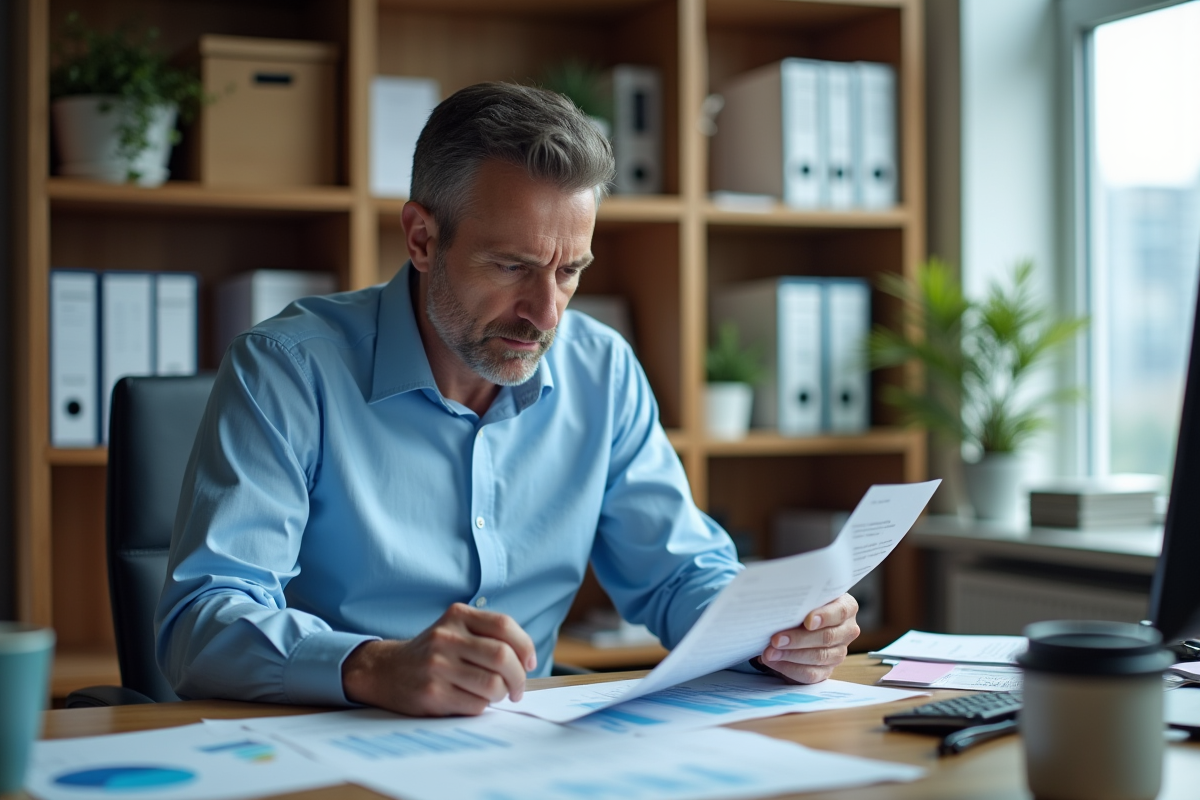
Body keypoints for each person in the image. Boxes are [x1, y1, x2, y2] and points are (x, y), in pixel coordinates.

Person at [156, 82, 860, 717]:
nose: (546, 314)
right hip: (330, 746)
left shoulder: (601, 367)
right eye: (512, 267)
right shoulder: (287, 369)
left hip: (523, 754)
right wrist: (373, 666)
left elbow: (678, 572)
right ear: (422, 238)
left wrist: (771, 631)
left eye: (570, 272)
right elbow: (202, 622)